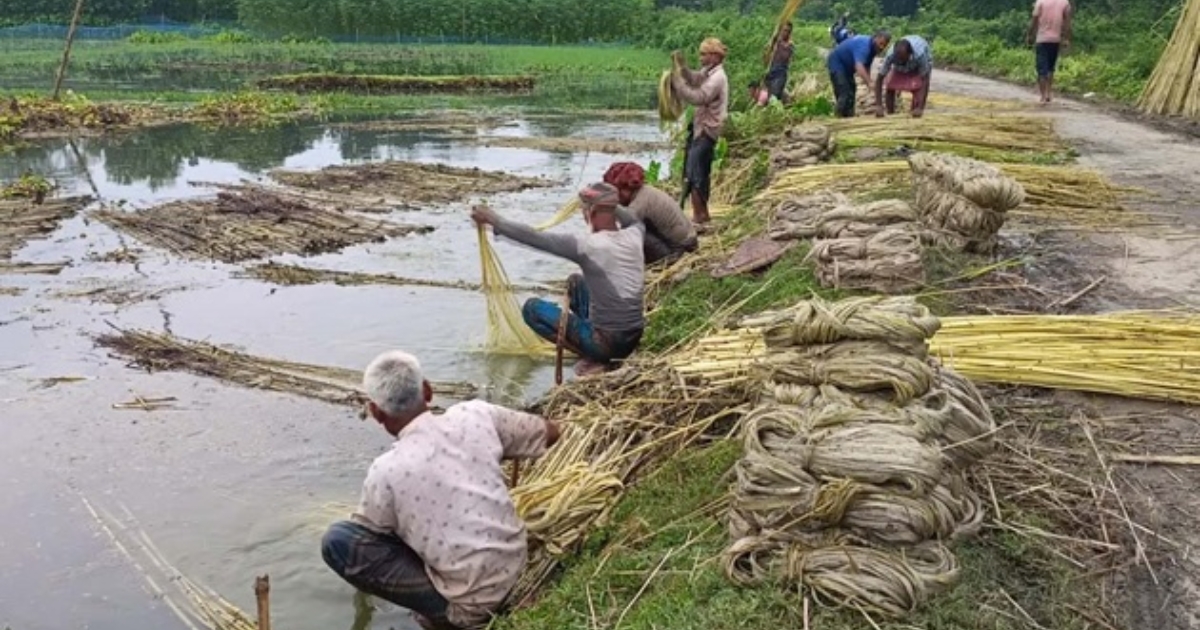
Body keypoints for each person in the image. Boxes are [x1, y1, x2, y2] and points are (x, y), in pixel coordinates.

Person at [322, 350, 562, 630]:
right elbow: (551, 433)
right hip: (518, 567)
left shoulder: (385, 471)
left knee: (339, 540)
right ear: (427, 390)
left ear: (376, 413)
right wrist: (485, 454)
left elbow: (372, 541)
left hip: (473, 606)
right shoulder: (476, 415)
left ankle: (443, 617)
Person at [471, 182, 645, 376]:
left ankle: (597, 359)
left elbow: (535, 238)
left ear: (591, 211)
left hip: (607, 344)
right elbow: (634, 220)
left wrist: (493, 220)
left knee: (532, 309)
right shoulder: (635, 234)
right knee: (576, 281)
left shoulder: (588, 246)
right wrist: (609, 203)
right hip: (633, 336)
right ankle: (598, 352)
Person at [670, 37, 730, 226]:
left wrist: (678, 85)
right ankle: (701, 214)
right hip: (700, 128)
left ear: (714, 56)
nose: (701, 57)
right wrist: (682, 69)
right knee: (695, 171)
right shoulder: (709, 72)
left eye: (703, 54)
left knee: (696, 173)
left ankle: (699, 216)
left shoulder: (718, 78)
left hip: (707, 130)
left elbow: (699, 96)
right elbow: (696, 79)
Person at [603, 161, 698, 265]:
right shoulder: (647, 191)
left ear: (626, 188)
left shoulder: (640, 203)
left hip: (678, 249)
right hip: (687, 241)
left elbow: (624, 227)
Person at [826, 30, 891, 118]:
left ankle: (849, 116)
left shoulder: (873, 49)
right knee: (844, 92)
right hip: (837, 63)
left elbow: (867, 65)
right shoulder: (864, 45)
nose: (882, 47)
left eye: (884, 45)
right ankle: (837, 117)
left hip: (847, 68)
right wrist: (869, 82)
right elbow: (859, 66)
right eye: (881, 43)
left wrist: (869, 82)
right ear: (876, 38)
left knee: (852, 90)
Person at [874, 35, 933, 118]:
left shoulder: (920, 55)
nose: (900, 61)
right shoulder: (891, 55)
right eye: (898, 59)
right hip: (900, 65)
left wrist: (920, 107)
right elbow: (879, 78)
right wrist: (879, 105)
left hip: (917, 65)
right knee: (890, 86)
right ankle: (890, 112)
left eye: (902, 59)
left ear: (910, 54)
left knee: (918, 88)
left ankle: (916, 109)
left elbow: (925, 80)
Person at [1027, 0, 1072, 104]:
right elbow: (1067, 23)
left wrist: (1030, 35)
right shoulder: (1064, 3)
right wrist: (1066, 38)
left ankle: (1043, 96)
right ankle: (1048, 93)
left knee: (1042, 69)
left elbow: (1034, 21)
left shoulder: (1040, 2)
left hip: (1042, 40)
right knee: (1051, 68)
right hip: (1055, 40)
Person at [764, 22, 795, 102]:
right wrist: (771, 45)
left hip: (780, 73)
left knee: (775, 97)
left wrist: (778, 43)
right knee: (769, 97)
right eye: (784, 30)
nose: (786, 33)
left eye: (788, 31)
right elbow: (766, 57)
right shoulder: (775, 43)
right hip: (771, 71)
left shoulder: (790, 45)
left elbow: (785, 57)